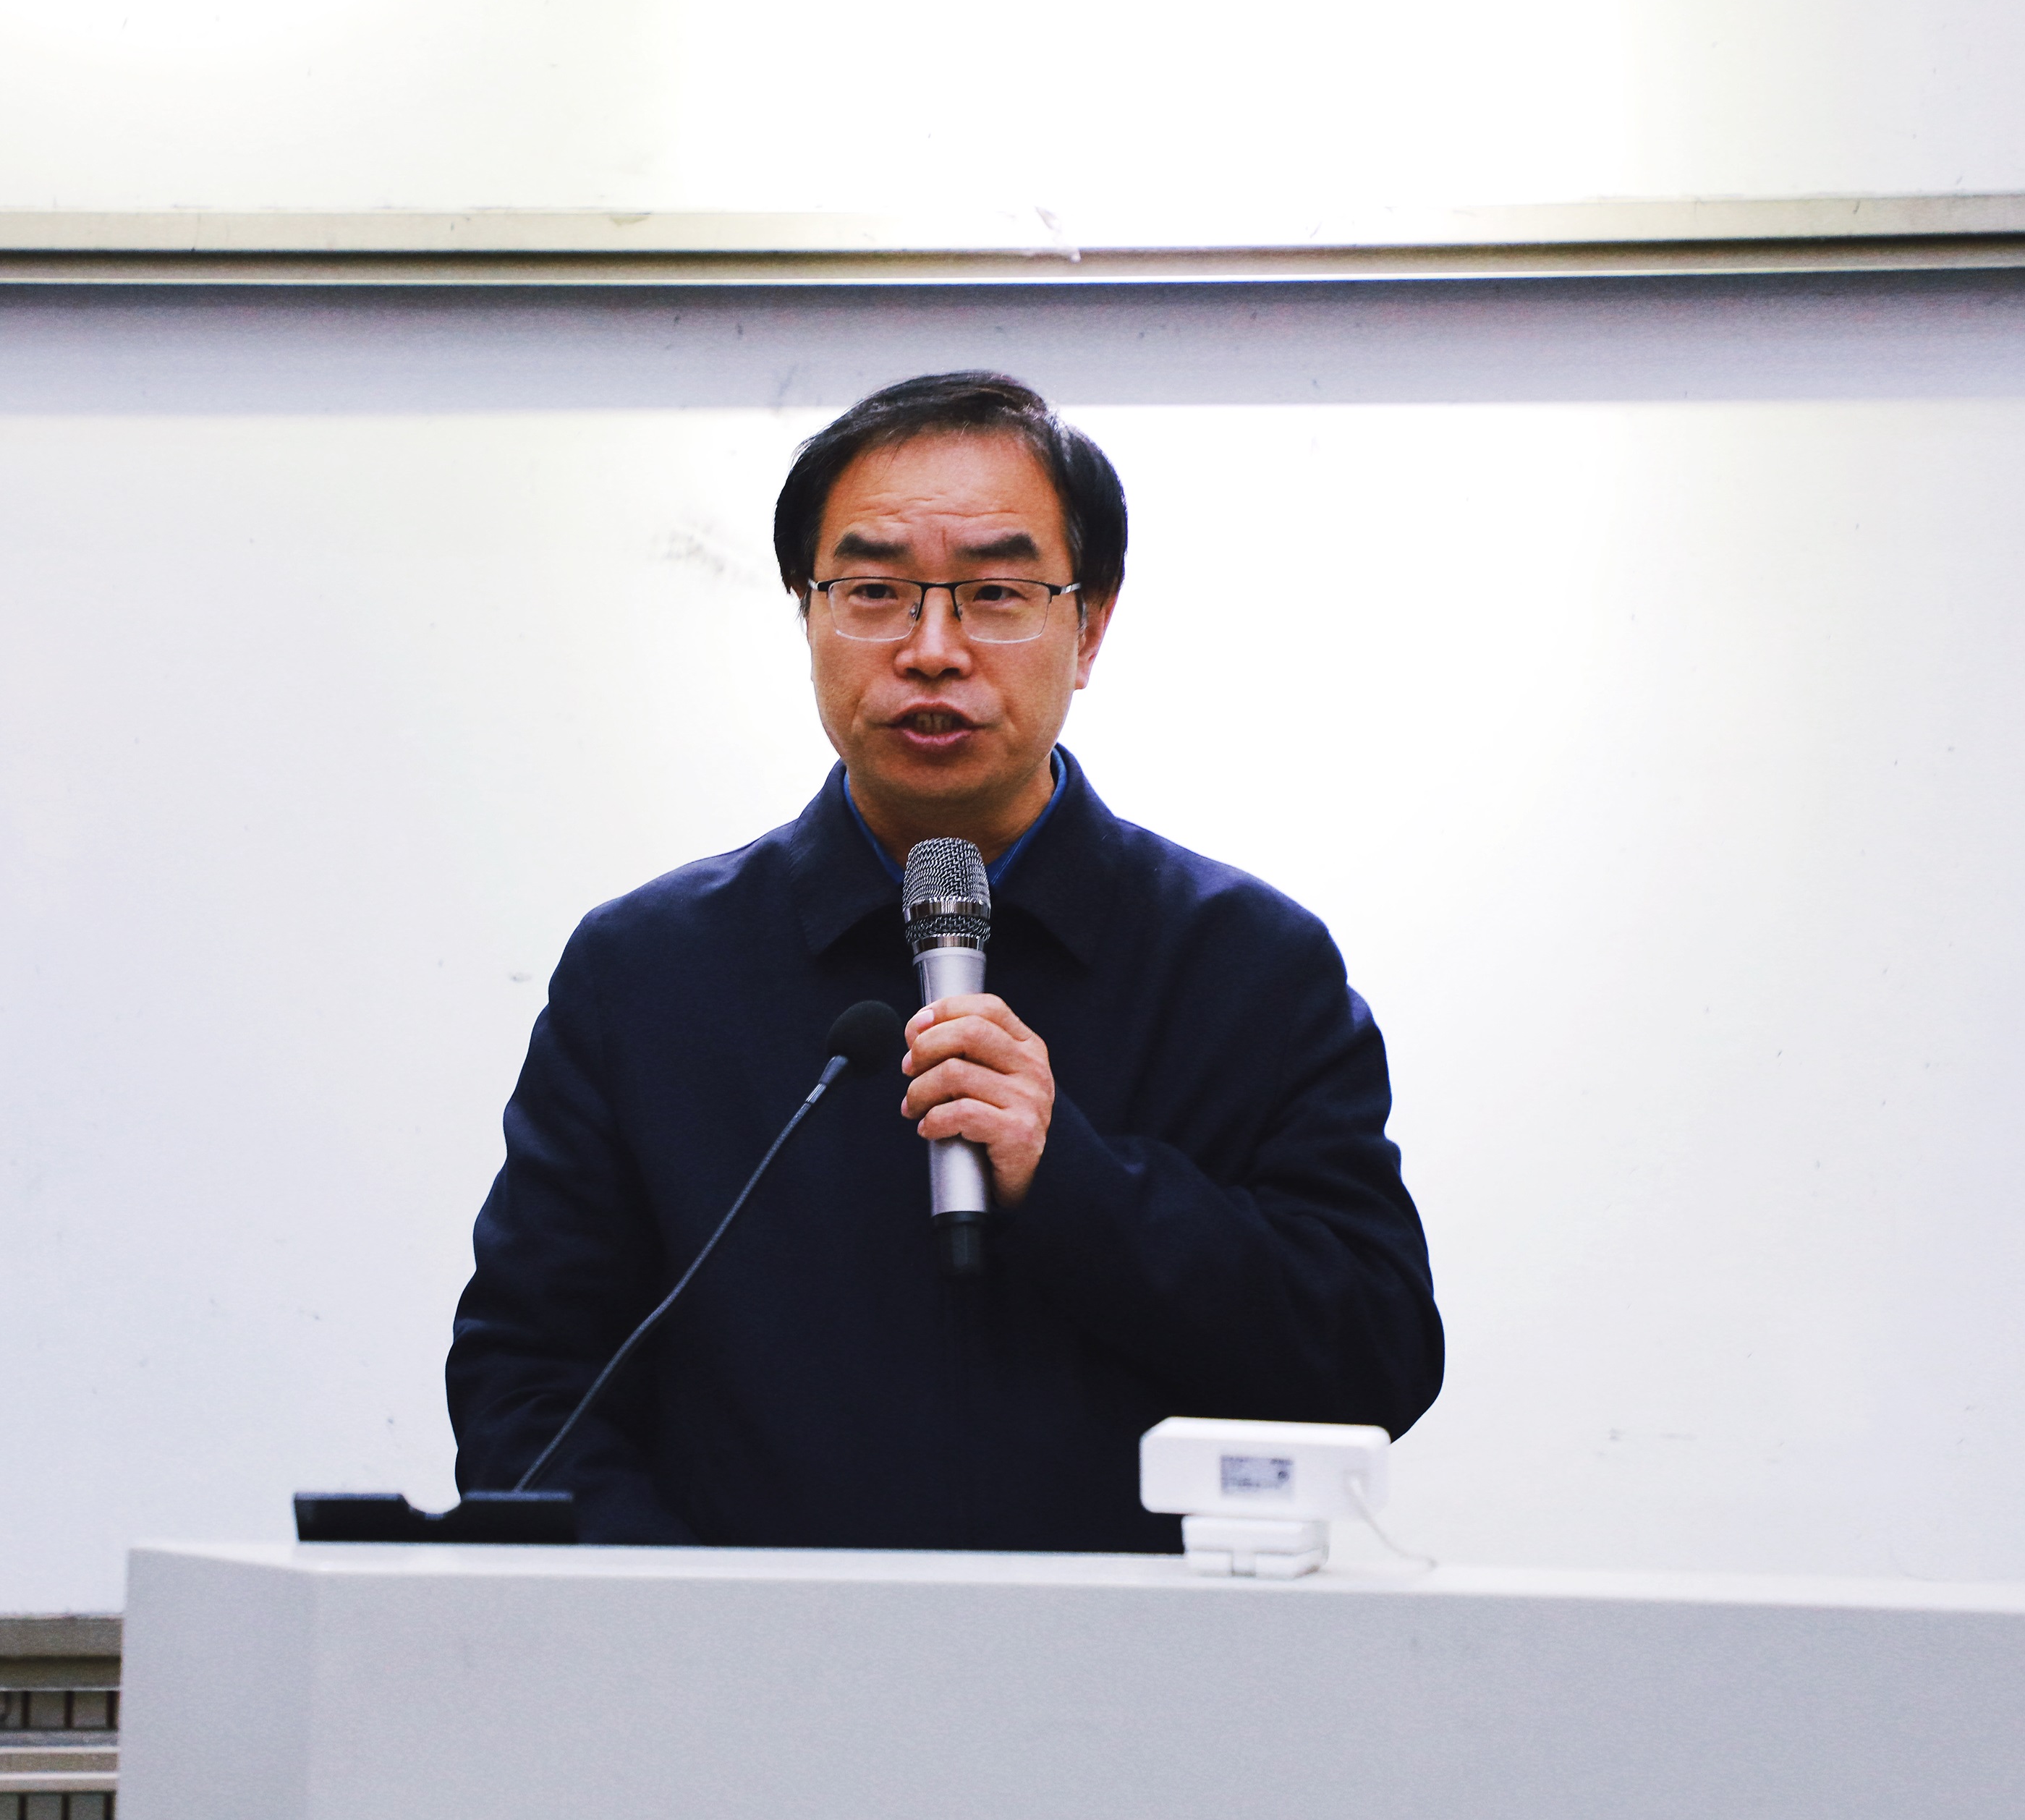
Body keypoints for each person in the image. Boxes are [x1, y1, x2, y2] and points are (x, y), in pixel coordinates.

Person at [447, 372, 1441, 1551]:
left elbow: (1376, 1360)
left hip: (1135, 1659)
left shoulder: (1249, 968)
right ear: (807, 615)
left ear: (1090, 627)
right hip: (742, 1659)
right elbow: (528, 1392)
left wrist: (1073, 1181)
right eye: (874, 591)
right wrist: (707, 1624)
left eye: (996, 593)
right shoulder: (648, 975)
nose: (931, 650)